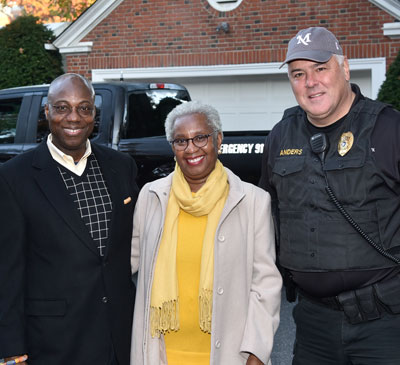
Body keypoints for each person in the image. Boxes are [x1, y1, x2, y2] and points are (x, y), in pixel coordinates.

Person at [259, 26, 400, 364]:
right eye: (298, 74)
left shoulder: (388, 128)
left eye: (321, 68)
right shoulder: (281, 136)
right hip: (312, 324)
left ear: (344, 68)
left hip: (383, 324)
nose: (311, 82)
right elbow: (267, 214)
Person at [0, 73, 139, 364]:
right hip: (53, 342)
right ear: (47, 111)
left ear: (94, 114)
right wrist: (11, 348)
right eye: (62, 107)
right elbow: (7, 271)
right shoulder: (14, 177)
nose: (73, 117)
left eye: (84, 108)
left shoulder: (121, 166)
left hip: (119, 337)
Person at [130, 101, 282, 365]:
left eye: (200, 137)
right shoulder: (152, 197)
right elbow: (122, 263)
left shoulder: (252, 201)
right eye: (181, 141)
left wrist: (257, 350)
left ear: (218, 139)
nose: (191, 149)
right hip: (162, 354)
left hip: (229, 355)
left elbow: (265, 285)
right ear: (172, 147)